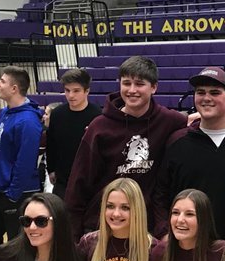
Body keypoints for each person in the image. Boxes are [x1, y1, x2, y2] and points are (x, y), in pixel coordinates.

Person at [65, 55, 188, 235]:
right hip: (103, 225)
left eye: (139, 84)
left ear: (154, 87)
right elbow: (78, 185)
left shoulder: (170, 121)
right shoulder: (99, 127)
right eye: (126, 83)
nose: (132, 90)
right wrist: (73, 236)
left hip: (146, 227)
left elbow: (208, 120)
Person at [155, 68, 225, 239]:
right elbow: (160, 193)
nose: (206, 98)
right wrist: (164, 232)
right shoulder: (177, 140)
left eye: (215, 92)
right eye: (200, 92)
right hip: (185, 245)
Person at [0, 66, 44, 248]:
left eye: (2, 81)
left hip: (15, 194)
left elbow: (25, 163)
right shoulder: (6, 113)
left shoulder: (28, 121)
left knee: (17, 247)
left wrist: (12, 195)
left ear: (14, 88)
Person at [45, 68, 100, 194]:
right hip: (63, 181)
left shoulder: (97, 115)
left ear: (87, 91)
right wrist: (51, 169)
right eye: (67, 90)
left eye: (76, 91)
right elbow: (51, 144)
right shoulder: (57, 114)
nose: (71, 95)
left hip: (89, 182)